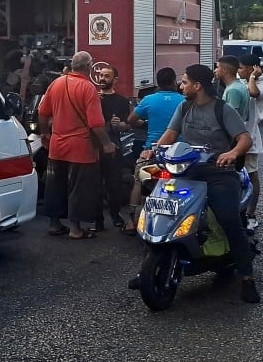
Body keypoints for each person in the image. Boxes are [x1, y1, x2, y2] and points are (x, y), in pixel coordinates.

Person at [131, 64, 259, 303]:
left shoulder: (223, 109)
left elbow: (245, 139)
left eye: (185, 82)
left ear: (197, 86)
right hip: (186, 171)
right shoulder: (184, 106)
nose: (182, 86)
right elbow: (170, 134)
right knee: (159, 209)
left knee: (228, 218)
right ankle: (146, 268)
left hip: (219, 173)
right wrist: (153, 150)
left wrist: (231, 153)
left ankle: (247, 278)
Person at [37, 51, 116, 240]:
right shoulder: (87, 88)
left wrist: (45, 134)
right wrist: (106, 144)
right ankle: (75, 229)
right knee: (78, 188)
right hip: (80, 147)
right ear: (89, 66)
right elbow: (96, 123)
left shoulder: (56, 83)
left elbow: (42, 112)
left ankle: (55, 224)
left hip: (57, 146)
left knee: (55, 186)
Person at [123, 67, 183, 235]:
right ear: (174, 82)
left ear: (157, 83)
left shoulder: (149, 99)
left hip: (151, 151)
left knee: (138, 179)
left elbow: (131, 120)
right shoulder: (184, 101)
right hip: (177, 153)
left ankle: (132, 220)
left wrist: (145, 123)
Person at [97, 65, 135, 233]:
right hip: (94, 148)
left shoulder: (121, 101)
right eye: (101, 75)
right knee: (95, 185)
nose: (102, 78)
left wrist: (119, 125)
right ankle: (97, 219)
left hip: (114, 148)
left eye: (106, 76)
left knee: (114, 185)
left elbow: (127, 126)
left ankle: (115, 214)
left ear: (115, 80)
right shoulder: (94, 98)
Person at [237, 54, 263, 230]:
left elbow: (253, 92)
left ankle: (251, 213)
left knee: (251, 175)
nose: (239, 70)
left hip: (250, 136)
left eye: (242, 67)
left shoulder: (262, 85)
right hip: (233, 138)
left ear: (252, 68)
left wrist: (252, 78)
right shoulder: (237, 84)